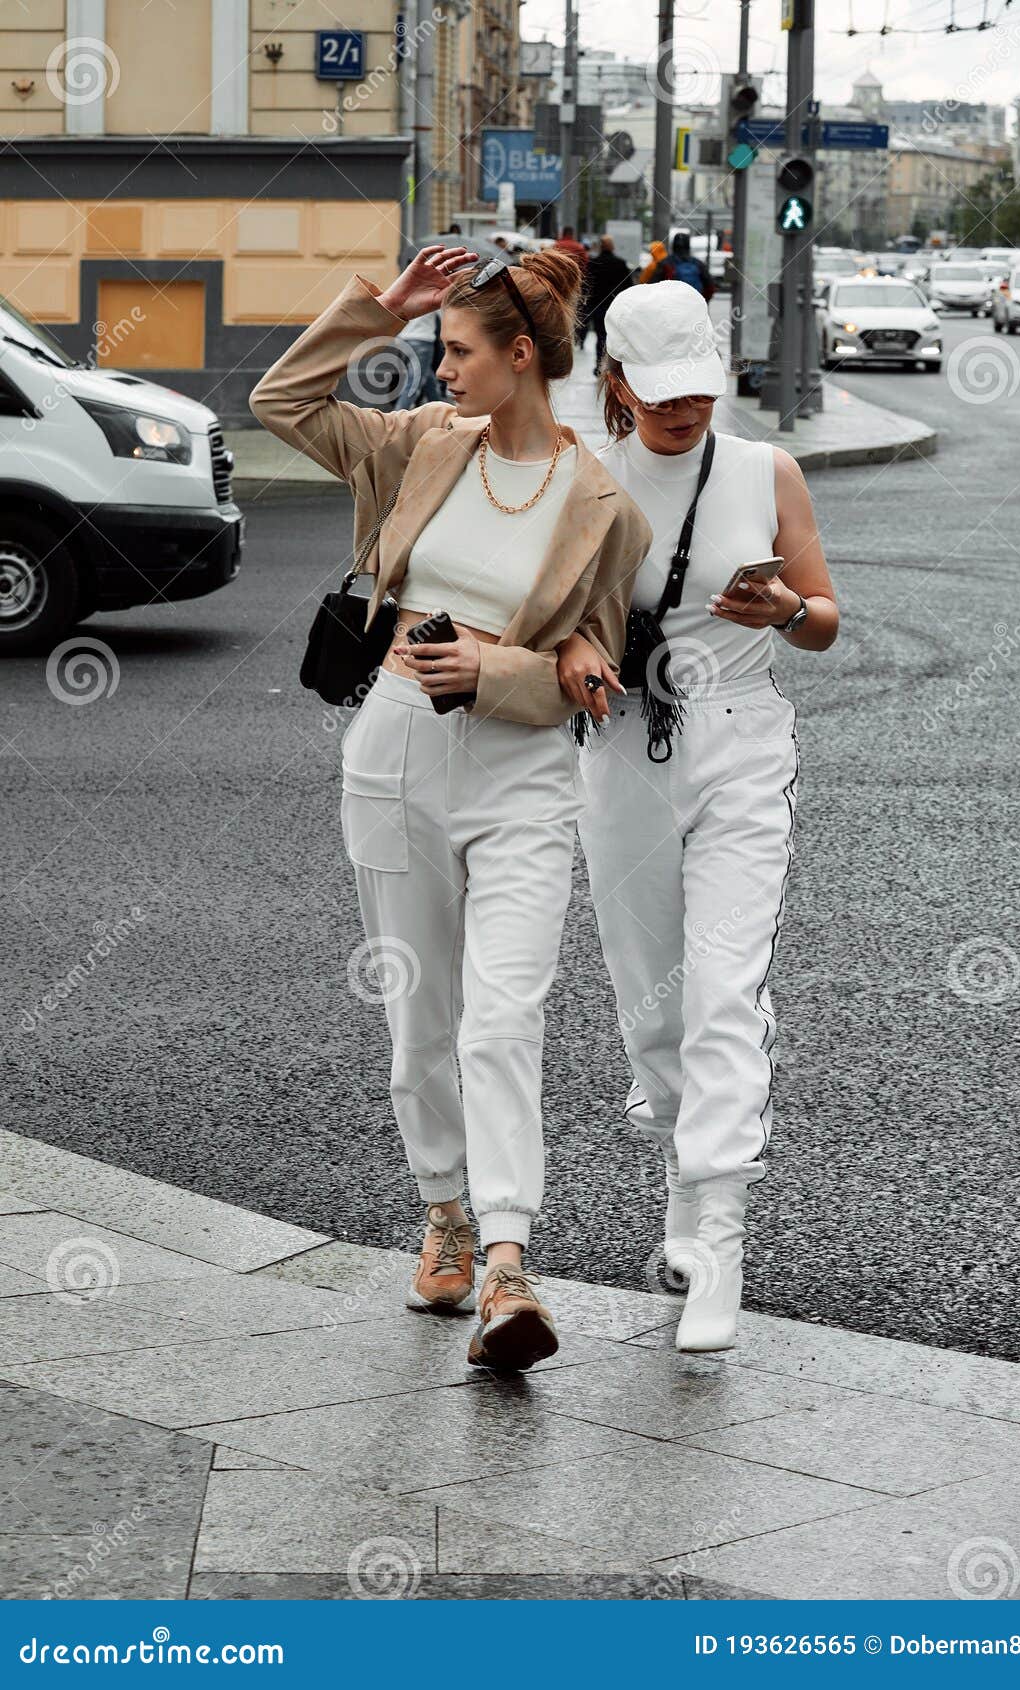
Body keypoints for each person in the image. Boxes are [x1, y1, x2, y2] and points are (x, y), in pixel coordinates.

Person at [250, 246, 650, 1372]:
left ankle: (510, 1263)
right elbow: (281, 402)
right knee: (418, 1019)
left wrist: (498, 672)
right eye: (436, 347)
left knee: (502, 1019)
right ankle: (443, 1211)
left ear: (521, 357)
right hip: (391, 755)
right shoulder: (423, 442)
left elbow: (595, 666)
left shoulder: (600, 499)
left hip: (521, 775)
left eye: (460, 350)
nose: (441, 365)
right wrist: (379, 313)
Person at [556, 282, 839, 1354]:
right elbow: (546, 622)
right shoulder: (584, 479)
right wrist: (574, 648)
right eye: (659, 391)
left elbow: (821, 621)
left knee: (725, 986)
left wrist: (784, 610)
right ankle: (682, 1183)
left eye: (699, 389)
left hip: (739, 744)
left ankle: (716, 1231)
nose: (683, 411)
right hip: (620, 750)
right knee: (651, 1003)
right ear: (615, 381)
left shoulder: (766, 471)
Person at [584, 235, 633, 369]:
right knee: (615, 336)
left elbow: (587, 285)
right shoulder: (620, 263)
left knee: (600, 336)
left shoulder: (593, 263)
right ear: (612, 246)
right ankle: (612, 365)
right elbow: (628, 286)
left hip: (598, 305)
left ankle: (599, 364)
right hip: (616, 306)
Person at [646, 232, 714, 299]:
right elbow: (710, 286)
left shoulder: (665, 263)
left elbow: (652, 286)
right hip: (694, 303)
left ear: (673, 245)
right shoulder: (698, 264)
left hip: (671, 303)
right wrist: (703, 301)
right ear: (688, 245)